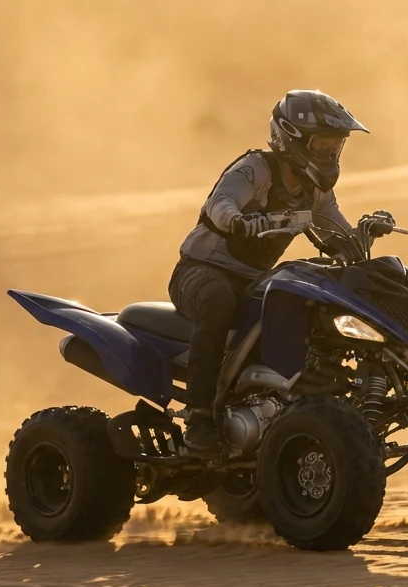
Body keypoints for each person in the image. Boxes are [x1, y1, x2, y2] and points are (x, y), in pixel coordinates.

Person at [169, 89, 395, 459]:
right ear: (291, 139)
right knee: (219, 301)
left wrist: (363, 232)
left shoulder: (314, 191)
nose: (329, 155)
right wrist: (238, 221)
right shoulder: (256, 168)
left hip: (253, 281)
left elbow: (335, 232)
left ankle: (296, 393)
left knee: (317, 287)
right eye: (321, 145)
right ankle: (199, 419)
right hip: (200, 272)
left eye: (334, 147)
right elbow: (221, 203)